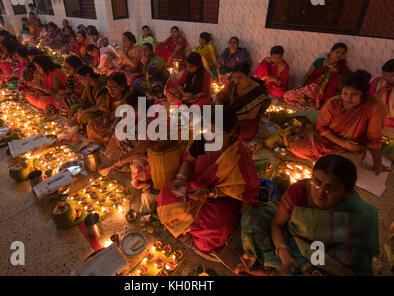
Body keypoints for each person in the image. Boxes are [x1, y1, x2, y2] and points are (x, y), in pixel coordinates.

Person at [240, 155, 379, 276]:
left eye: (331, 188)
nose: (320, 192)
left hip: (322, 256)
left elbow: (351, 255)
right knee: (252, 219)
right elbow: (277, 225)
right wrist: (284, 254)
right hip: (290, 239)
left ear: (347, 192)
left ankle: (271, 271)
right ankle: (276, 269)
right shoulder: (298, 192)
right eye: (317, 182)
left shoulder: (356, 213)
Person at [157, 106, 260, 255]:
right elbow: (189, 162)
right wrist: (181, 178)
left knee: (217, 227)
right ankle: (191, 225)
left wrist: (209, 193)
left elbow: (244, 189)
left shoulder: (239, 154)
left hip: (221, 197)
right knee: (167, 194)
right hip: (195, 186)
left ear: (231, 132)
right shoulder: (202, 140)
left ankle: (190, 226)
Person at [288, 70, 387, 175]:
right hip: (327, 140)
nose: (348, 98)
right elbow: (321, 127)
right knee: (295, 146)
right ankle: (327, 158)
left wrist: (377, 163)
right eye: (345, 93)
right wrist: (342, 142)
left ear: (364, 94)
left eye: (354, 94)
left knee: (340, 171)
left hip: (350, 147)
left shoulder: (373, 107)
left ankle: (328, 160)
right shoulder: (334, 102)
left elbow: (373, 139)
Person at [98, 91, 152, 193]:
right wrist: (112, 129)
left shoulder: (149, 123)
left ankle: (145, 178)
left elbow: (139, 151)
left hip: (147, 156)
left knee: (138, 179)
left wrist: (113, 164)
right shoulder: (132, 115)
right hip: (133, 149)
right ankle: (122, 163)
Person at [283, 43, 351, 109]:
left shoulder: (341, 68)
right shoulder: (320, 61)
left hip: (324, 94)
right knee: (287, 95)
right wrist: (302, 86)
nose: (339, 55)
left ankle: (314, 102)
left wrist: (335, 74)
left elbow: (342, 85)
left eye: (342, 53)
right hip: (311, 89)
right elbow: (308, 75)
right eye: (337, 52)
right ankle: (309, 101)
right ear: (331, 51)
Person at [216, 62, 271, 140]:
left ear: (248, 76)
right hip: (229, 111)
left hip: (244, 118)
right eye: (234, 77)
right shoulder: (232, 84)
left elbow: (251, 115)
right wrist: (219, 110)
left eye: (240, 78)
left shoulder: (258, 92)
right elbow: (219, 97)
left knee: (246, 132)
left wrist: (230, 118)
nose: (237, 81)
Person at [86, 72, 128, 145]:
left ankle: (105, 141)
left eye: (113, 88)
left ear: (123, 86)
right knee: (91, 122)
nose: (110, 91)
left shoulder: (127, 98)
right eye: (108, 87)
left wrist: (112, 128)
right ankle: (100, 141)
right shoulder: (108, 96)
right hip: (110, 122)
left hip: (121, 125)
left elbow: (121, 117)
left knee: (114, 134)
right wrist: (105, 119)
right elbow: (105, 110)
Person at [370, 59, 394, 128]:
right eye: (384, 75)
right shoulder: (376, 82)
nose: (387, 79)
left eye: (392, 76)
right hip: (379, 118)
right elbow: (369, 103)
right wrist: (379, 93)